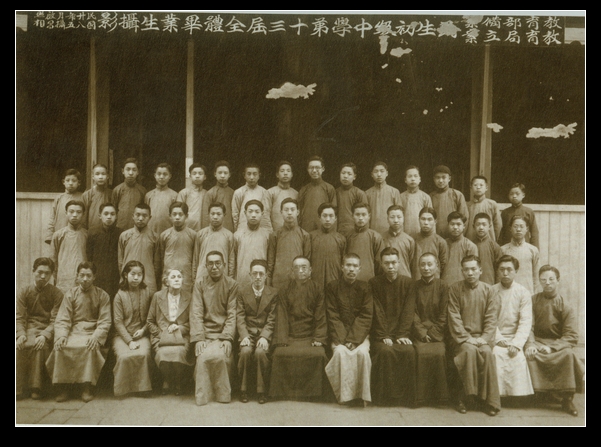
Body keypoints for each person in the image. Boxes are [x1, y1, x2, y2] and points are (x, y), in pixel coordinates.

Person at [46, 262, 112, 402]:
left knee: (89, 347)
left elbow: (105, 321)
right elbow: (63, 318)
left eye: (88, 275)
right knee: (61, 347)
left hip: (91, 332)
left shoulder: (102, 295)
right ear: (77, 276)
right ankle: (63, 387)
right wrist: (62, 336)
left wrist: (96, 336)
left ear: (94, 277)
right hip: (73, 332)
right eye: (82, 275)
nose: (85, 279)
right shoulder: (70, 294)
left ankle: (86, 387)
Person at [525, 265, 584, 417]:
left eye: (551, 279)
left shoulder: (565, 304)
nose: (547, 283)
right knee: (530, 355)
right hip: (537, 341)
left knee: (568, 355)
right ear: (539, 281)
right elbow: (528, 326)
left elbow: (571, 335)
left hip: (557, 343)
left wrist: (552, 347)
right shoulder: (533, 300)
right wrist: (531, 343)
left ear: (558, 280)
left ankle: (567, 399)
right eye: (543, 280)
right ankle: (537, 394)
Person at [447, 255, 500, 416]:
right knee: (469, 351)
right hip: (461, 338)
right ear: (462, 271)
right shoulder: (455, 289)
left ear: (480, 270)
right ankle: (464, 398)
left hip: (482, 337)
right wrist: (466, 338)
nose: (470, 273)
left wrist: (484, 338)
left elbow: (492, 318)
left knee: (487, 353)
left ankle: (487, 401)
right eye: (466, 270)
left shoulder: (489, 291)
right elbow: (454, 316)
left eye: (473, 269)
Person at [269, 256, 329, 400]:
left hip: (310, 336)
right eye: (296, 268)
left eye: (304, 267)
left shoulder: (317, 288)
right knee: (279, 354)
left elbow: (320, 315)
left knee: (319, 355)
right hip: (290, 336)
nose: (300, 271)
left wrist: (319, 338)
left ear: (310, 270)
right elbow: (282, 315)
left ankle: (314, 395)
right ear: (292, 271)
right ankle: (284, 394)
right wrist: (282, 339)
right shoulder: (285, 289)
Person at [369, 247, 417, 406]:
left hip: (401, 333)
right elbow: (376, 311)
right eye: (387, 263)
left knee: (408, 351)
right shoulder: (374, 283)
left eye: (393, 263)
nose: (390, 266)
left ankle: (405, 398)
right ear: (381, 264)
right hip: (381, 334)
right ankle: (385, 398)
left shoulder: (408, 283)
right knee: (385, 351)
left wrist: (402, 334)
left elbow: (408, 310)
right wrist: (384, 335)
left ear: (399, 263)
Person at [325, 253, 373, 406]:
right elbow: (332, 315)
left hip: (360, 335)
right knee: (340, 352)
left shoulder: (365, 287)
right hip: (338, 335)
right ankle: (344, 396)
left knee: (363, 354)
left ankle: (361, 396)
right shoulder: (332, 287)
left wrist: (353, 339)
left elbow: (366, 315)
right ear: (342, 267)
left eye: (355, 266)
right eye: (348, 265)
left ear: (359, 269)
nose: (351, 269)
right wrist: (344, 340)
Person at [190, 251, 237, 406]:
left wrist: (227, 337)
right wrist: (199, 338)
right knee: (202, 358)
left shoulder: (232, 284)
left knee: (221, 357)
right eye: (210, 263)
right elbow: (196, 312)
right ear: (206, 266)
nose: (214, 267)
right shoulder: (200, 284)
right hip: (205, 334)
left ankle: (223, 395)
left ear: (224, 265)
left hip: (222, 334)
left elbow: (232, 314)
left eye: (218, 263)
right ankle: (204, 397)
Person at [16, 258, 64, 400]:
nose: (43, 276)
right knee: (19, 346)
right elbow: (19, 317)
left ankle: (36, 388)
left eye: (47, 273)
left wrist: (44, 335)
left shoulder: (57, 294)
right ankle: (18, 387)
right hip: (28, 329)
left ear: (51, 275)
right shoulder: (24, 291)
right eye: (40, 272)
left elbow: (56, 320)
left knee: (40, 346)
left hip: (46, 329)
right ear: (33, 271)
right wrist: (20, 334)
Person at [491, 255, 534, 400]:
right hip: (496, 337)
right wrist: (498, 338)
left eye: (509, 269)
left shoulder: (523, 292)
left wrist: (516, 344)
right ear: (497, 271)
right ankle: (497, 396)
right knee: (496, 354)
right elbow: (489, 319)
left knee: (518, 357)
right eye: (502, 269)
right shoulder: (491, 291)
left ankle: (516, 397)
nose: (505, 273)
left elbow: (525, 321)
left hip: (515, 338)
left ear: (516, 271)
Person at [236, 259, 278, 404]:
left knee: (260, 353)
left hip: (264, 334)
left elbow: (272, 318)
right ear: (250, 275)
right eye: (255, 274)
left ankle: (261, 391)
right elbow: (240, 316)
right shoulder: (242, 292)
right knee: (245, 351)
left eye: (261, 274)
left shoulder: (273, 293)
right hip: (247, 333)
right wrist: (244, 336)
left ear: (266, 275)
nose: (258, 277)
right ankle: (243, 389)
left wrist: (265, 336)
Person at [147, 268, 193, 396]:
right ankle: (167, 379)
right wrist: (161, 334)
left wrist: (180, 328)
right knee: (162, 354)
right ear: (166, 281)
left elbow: (193, 321)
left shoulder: (189, 297)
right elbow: (150, 321)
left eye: (179, 276)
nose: (177, 279)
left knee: (179, 352)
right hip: (161, 336)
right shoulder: (157, 296)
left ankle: (177, 380)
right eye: (173, 277)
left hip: (182, 336)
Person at [412, 253, 450, 406]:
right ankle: (421, 397)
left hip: (437, 334)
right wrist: (422, 333)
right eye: (423, 264)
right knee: (420, 353)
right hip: (419, 333)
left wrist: (433, 333)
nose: (426, 268)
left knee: (439, 353)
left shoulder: (443, 286)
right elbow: (412, 312)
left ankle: (440, 397)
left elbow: (445, 313)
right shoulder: (414, 286)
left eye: (430, 264)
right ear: (419, 267)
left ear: (437, 266)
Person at [111, 260, 153, 397]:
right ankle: (124, 389)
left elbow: (152, 317)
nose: (136, 278)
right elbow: (118, 322)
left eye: (139, 275)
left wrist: (143, 330)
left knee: (143, 354)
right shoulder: (119, 295)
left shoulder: (147, 292)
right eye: (133, 274)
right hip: (122, 336)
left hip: (142, 334)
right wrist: (129, 341)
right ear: (125, 275)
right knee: (124, 356)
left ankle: (142, 388)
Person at [267, 198, 312, 290]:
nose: (289, 213)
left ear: (298, 212)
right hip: (279, 280)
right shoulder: (275, 235)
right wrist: (269, 281)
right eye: (286, 210)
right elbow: (271, 261)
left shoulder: (304, 235)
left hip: (298, 280)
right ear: (281, 212)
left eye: (292, 209)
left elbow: (307, 260)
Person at [118, 203, 159, 297]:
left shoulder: (155, 237)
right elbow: (120, 262)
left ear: (150, 217)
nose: (140, 218)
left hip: (148, 280)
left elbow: (157, 264)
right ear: (133, 216)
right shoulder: (124, 236)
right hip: (128, 279)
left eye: (144, 216)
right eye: (138, 215)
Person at [155, 202, 197, 293]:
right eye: (174, 214)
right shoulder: (164, 235)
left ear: (186, 216)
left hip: (186, 277)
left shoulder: (193, 235)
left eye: (180, 214)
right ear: (170, 216)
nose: (177, 217)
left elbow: (195, 259)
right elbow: (161, 258)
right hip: (168, 275)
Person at [86, 202, 122, 300]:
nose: (109, 217)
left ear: (116, 216)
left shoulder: (121, 234)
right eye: (106, 214)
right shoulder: (92, 233)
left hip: (115, 276)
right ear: (100, 216)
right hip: (98, 275)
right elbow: (89, 256)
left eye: (112, 214)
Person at [50, 200, 87, 293]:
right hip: (63, 279)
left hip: (83, 279)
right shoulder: (58, 235)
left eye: (78, 212)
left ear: (83, 214)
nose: (74, 215)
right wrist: (56, 276)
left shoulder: (87, 235)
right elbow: (53, 259)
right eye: (71, 211)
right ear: (66, 213)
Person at [193, 202, 236, 282]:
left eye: (218, 214)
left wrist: (229, 280)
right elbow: (195, 259)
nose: (215, 217)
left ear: (224, 215)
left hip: (222, 278)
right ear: (208, 215)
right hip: (202, 277)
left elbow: (231, 261)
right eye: (212, 214)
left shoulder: (229, 236)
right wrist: (194, 278)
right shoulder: (200, 234)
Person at [234, 200, 271, 288]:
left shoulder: (267, 235)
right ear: (245, 213)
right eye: (250, 211)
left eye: (257, 212)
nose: (253, 215)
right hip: (242, 279)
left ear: (262, 214)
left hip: (261, 279)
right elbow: (233, 259)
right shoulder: (237, 235)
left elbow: (270, 260)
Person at [309, 202, 346, 291]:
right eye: (324, 216)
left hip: (334, 281)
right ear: (319, 217)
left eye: (331, 216)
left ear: (335, 218)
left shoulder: (341, 239)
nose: (328, 219)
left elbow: (343, 262)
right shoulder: (310, 237)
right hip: (315, 282)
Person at [501, 215, 540, 294]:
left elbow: (536, 277)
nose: (518, 229)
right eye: (515, 226)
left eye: (521, 226)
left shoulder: (533, 250)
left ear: (527, 229)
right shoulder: (503, 250)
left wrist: (535, 295)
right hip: (508, 293)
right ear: (510, 229)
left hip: (527, 292)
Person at [346, 202, 384, 282]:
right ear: (352, 216)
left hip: (369, 281)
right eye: (357, 214)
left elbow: (379, 263)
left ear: (369, 216)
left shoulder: (375, 237)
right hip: (350, 280)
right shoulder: (347, 236)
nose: (360, 218)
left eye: (364, 214)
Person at [298, 155, 337, 233]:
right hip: (306, 229)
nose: (314, 170)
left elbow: (334, 212)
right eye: (311, 168)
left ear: (323, 169)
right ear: (307, 169)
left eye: (317, 167)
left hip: (324, 229)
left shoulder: (329, 188)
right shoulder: (303, 190)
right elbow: (298, 212)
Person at [429, 165, 469, 239]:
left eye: (444, 177)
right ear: (434, 179)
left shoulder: (457, 195)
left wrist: (458, 236)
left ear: (449, 178)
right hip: (435, 237)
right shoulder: (430, 197)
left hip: (454, 237)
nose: (440, 180)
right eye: (438, 177)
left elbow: (464, 218)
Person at [44, 168, 83, 244]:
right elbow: (52, 217)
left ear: (79, 183)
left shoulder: (83, 197)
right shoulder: (59, 198)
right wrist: (50, 236)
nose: (70, 183)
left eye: (74, 181)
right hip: (60, 235)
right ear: (63, 182)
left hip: (77, 236)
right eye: (68, 180)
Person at [232, 163, 273, 232]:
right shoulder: (239, 192)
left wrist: (267, 231)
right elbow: (235, 214)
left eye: (255, 174)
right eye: (249, 174)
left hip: (260, 230)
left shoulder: (264, 192)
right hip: (243, 229)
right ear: (244, 175)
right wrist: (237, 231)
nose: (251, 177)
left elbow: (266, 214)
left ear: (259, 175)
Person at [365, 161, 402, 235]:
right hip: (373, 232)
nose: (379, 174)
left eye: (382, 171)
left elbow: (400, 214)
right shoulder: (367, 193)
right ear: (372, 174)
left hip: (390, 233)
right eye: (376, 171)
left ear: (386, 173)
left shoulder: (394, 192)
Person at [499, 183, 540, 248]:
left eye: (517, 194)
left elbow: (534, 233)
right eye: (511, 194)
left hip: (524, 247)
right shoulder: (505, 213)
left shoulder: (528, 212)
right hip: (508, 247)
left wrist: (535, 249)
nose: (514, 196)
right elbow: (501, 233)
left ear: (523, 195)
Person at [381, 205, 416, 279]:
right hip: (385, 280)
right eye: (392, 217)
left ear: (403, 218)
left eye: (399, 217)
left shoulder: (409, 240)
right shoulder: (381, 239)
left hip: (405, 279)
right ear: (387, 219)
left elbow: (412, 263)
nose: (396, 220)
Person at [443, 211, 478, 285]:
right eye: (452, 224)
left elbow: (472, 270)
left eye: (458, 224)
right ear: (448, 225)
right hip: (443, 285)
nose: (455, 227)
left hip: (462, 286)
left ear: (464, 226)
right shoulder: (442, 244)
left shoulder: (470, 246)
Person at [111, 158, 147, 231]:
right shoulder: (117, 190)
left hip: (137, 228)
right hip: (120, 228)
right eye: (128, 169)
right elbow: (113, 210)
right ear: (123, 171)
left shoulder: (142, 191)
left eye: (134, 170)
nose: (131, 173)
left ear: (138, 172)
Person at [414, 207, 448, 280]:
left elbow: (443, 264)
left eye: (429, 219)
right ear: (419, 220)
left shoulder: (440, 241)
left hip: (434, 281)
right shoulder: (412, 239)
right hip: (416, 280)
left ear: (435, 221)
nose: (426, 223)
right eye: (423, 219)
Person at [400, 165, 433, 239]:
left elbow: (431, 218)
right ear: (405, 180)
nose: (413, 179)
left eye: (415, 176)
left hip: (422, 235)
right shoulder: (400, 197)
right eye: (410, 176)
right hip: (405, 235)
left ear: (419, 179)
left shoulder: (425, 197)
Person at [145, 162, 178, 237]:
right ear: (155, 175)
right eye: (159, 174)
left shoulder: (174, 195)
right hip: (150, 232)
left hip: (168, 233)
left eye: (165, 174)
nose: (161, 177)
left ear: (170, 176)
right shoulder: (148, 195)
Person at [465, 175, 502, 243]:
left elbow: (498, 225)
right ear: (471, 187)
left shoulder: (492, 204)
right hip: (471, 240)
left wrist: (493, 238)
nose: (478, 187)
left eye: (481, 185)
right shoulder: (467, 205)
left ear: (486, 187)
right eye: (475, 185)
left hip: (488, 240)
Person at [336, 162, 368, 237]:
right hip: (338, 232)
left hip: (355, 233)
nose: (345, 176)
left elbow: (365, 215)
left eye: (349, 174)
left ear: (354, 177)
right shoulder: (335, 192)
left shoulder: (359, 193)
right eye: (343, 173)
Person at [203, 160, 235, 232]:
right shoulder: (210, 193)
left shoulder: (233, 193)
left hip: (229, 229)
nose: (222, 176)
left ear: (229, 175)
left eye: (225, 173)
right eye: (220, 173)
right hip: (213, 229)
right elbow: (206, 215)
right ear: (215, 174)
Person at [267, 161, 298, 232]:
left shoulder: (296, 193)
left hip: (293, 233)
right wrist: (270, 232)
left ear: (292, 174)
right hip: (276, 233)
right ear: (277, 174)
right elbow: (265, 214)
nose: (285, 173)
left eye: (288, 171)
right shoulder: (270, 192)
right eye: (282, 171)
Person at [472, 213, 503, 285]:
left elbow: (499, 269)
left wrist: (497, 286)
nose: (481, 227)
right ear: (473, 226)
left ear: (489, 226)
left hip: (489, 283)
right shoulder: (470, 245)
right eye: (478, 224)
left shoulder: (494, 246)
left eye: (484, 224)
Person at [82, 163, 113, 232]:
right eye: (97, 174)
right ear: (93, 177)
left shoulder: (112, 194)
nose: (100, 177)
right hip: (91, 231)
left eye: (103, 174)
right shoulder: (87, 195)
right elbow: (84, 218)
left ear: (107, 176)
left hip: (108, 231)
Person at [177, 162, 207, 232]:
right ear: (190, 176)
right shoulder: (183, 193)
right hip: (186, 229)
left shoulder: (207, 194)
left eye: (200, 173)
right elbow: (178, 211)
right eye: (194, 173)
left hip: (203, 229)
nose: (197, 176)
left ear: (205, 177)